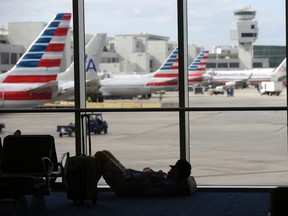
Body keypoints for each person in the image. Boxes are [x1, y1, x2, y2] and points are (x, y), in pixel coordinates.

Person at [94, 150, 192, 196]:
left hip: (125, 183)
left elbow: (149, 193)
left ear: (178, 173)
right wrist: (149, 171)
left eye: (174, 169)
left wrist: (146, 178)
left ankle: (90, 188)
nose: (171, 170)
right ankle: (91, 187)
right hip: (128, 174)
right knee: (106, 152)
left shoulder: (169, 185)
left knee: (100, 155)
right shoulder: (169, 179)